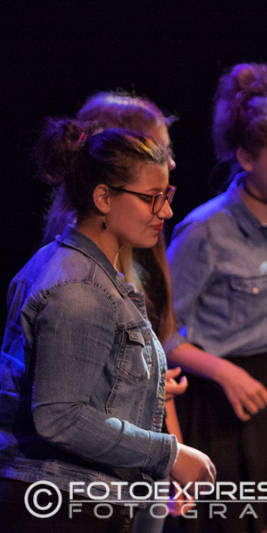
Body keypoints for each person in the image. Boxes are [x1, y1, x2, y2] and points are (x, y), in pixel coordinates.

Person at [0, 122, 215, 532]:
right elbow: (60, 416)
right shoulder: (79, 287)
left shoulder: (77, 268)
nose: (166, 212)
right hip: (65, 505)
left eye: (166, 196)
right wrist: (170, 454)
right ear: (103, 197)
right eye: (151, 198)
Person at [166, 62, 267, 533]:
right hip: (217, 398)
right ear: (246, 157)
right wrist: (224, 372)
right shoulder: (204, 230)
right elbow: (159, 333)